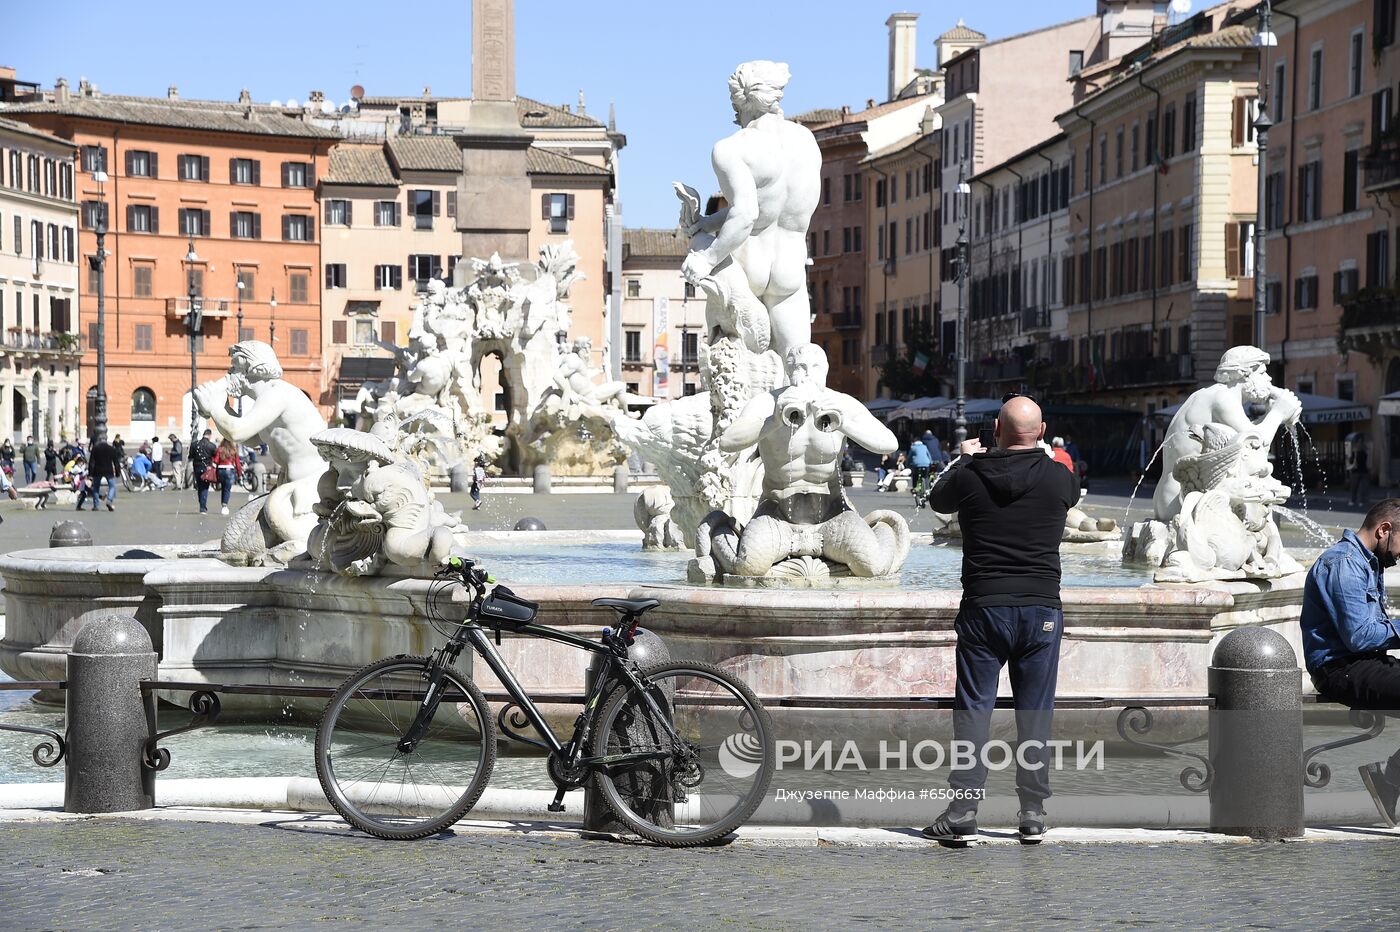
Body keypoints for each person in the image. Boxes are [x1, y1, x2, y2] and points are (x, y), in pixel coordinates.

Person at [923, 395, 1079, 845]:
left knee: (974, 709)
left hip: (984, 608)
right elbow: (1065, 489)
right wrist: (1041, 453)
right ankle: (1032, 812)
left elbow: (937, 499)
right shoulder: (1059, 478)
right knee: (1036, 713)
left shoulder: (970, 475)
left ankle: (963, 811)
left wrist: (965, 458)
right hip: (1041, 610)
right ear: (1043, 430)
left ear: (994, 428)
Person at [1300, 499, 1400, 826]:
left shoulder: (1367, 562)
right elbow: (1359, 636)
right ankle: (1390, 778)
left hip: (1363, 663)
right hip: (1339, 668)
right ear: (1384, 530)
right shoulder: (1343, 563)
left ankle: (1390, 779)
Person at [86, 434, 120, 512]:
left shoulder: (95, 449)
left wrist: (90, 475)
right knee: (112, 486)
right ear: (106, 439)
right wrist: (118, 472)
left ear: (99, 439)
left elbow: (91, 462)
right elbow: (116, 462)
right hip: (109, 470)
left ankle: (96, 505)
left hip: (97, 470)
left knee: (96, 488)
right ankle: (109, 500)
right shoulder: (111, 449)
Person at [191, 429, 218, 514]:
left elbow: (191, 455)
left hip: (197, 467)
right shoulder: (212, 445)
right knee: (205, 487)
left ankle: (201, 503)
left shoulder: (195, 444)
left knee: (199, 486)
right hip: (206, 468)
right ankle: (203, 507)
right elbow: (215, 457)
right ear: (210, 435)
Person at [212, 438, 241, 515]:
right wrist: (239, 474)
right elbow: (238, 464)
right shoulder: (233, 450)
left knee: (223, 488)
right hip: (230, 470)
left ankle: (223, 504)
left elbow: (215, 461)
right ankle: (224, 506)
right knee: (227, 489)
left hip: (220, 470)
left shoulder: (219, 449)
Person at [1348, 434, 1371, 508]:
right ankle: (1355, 500)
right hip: (1358, 471)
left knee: (1361, 488)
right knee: (1355, 487)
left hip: (1361, 471)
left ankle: (1359, 501)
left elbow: (1364, 461)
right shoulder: (1356, 453)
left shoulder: (1363, 452)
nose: (1359, 444)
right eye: (1359, 443)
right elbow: (1351, 461)